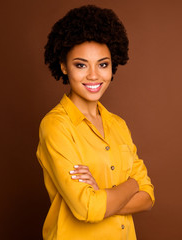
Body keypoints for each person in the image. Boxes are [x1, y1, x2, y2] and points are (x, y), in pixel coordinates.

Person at [36, 5, 155, 240]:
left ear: (112, 66)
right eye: (81, 65)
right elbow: (87, 208)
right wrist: (131, 185)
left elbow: (148, 197)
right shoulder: (56, 126)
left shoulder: (119, 125)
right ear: (63, 66)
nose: (93, 75)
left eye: (103, 64)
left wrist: (103, 196)